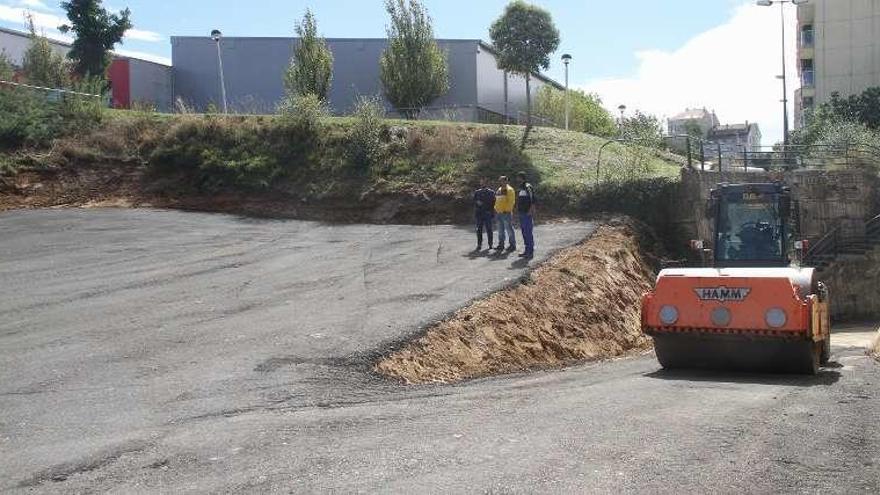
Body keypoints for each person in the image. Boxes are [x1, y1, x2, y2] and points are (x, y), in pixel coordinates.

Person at [493, 175, 517, 253]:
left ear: (507, 181)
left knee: (509, 229)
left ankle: (512, 245)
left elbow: (511, 202)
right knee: (500, 230)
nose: (501, 182)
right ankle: (501, 245)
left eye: (503, 180)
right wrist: (495, 208)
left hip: (506, 213)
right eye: (500, 180)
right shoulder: (499, 189)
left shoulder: (510, 190)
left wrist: (507, 210)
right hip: (499, 213)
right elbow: (497, 200)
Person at [516, 171, 537, 258]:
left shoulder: (528, 186)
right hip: (521, 213)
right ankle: (526, 251)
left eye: (518, 177)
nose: (517, 179)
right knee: (524, 232)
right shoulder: (520, 187)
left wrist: (531, 210)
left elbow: (533, 199)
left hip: (526, 213)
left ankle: (530, 252)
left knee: (528, 232)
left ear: (522, 178)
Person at [472, 177, 496, 251]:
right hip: (479, 214)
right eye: (481, 182)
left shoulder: (491, 192)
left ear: (486, 183)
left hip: (487, 213)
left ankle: (490, 244)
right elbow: (474, 201)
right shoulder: (477, 192)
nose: (482, 183)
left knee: (489, 229)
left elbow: (494, 203)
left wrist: (492, 212)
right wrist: (477, 203)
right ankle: (479, 244)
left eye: (483, 182)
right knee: (479, 230)